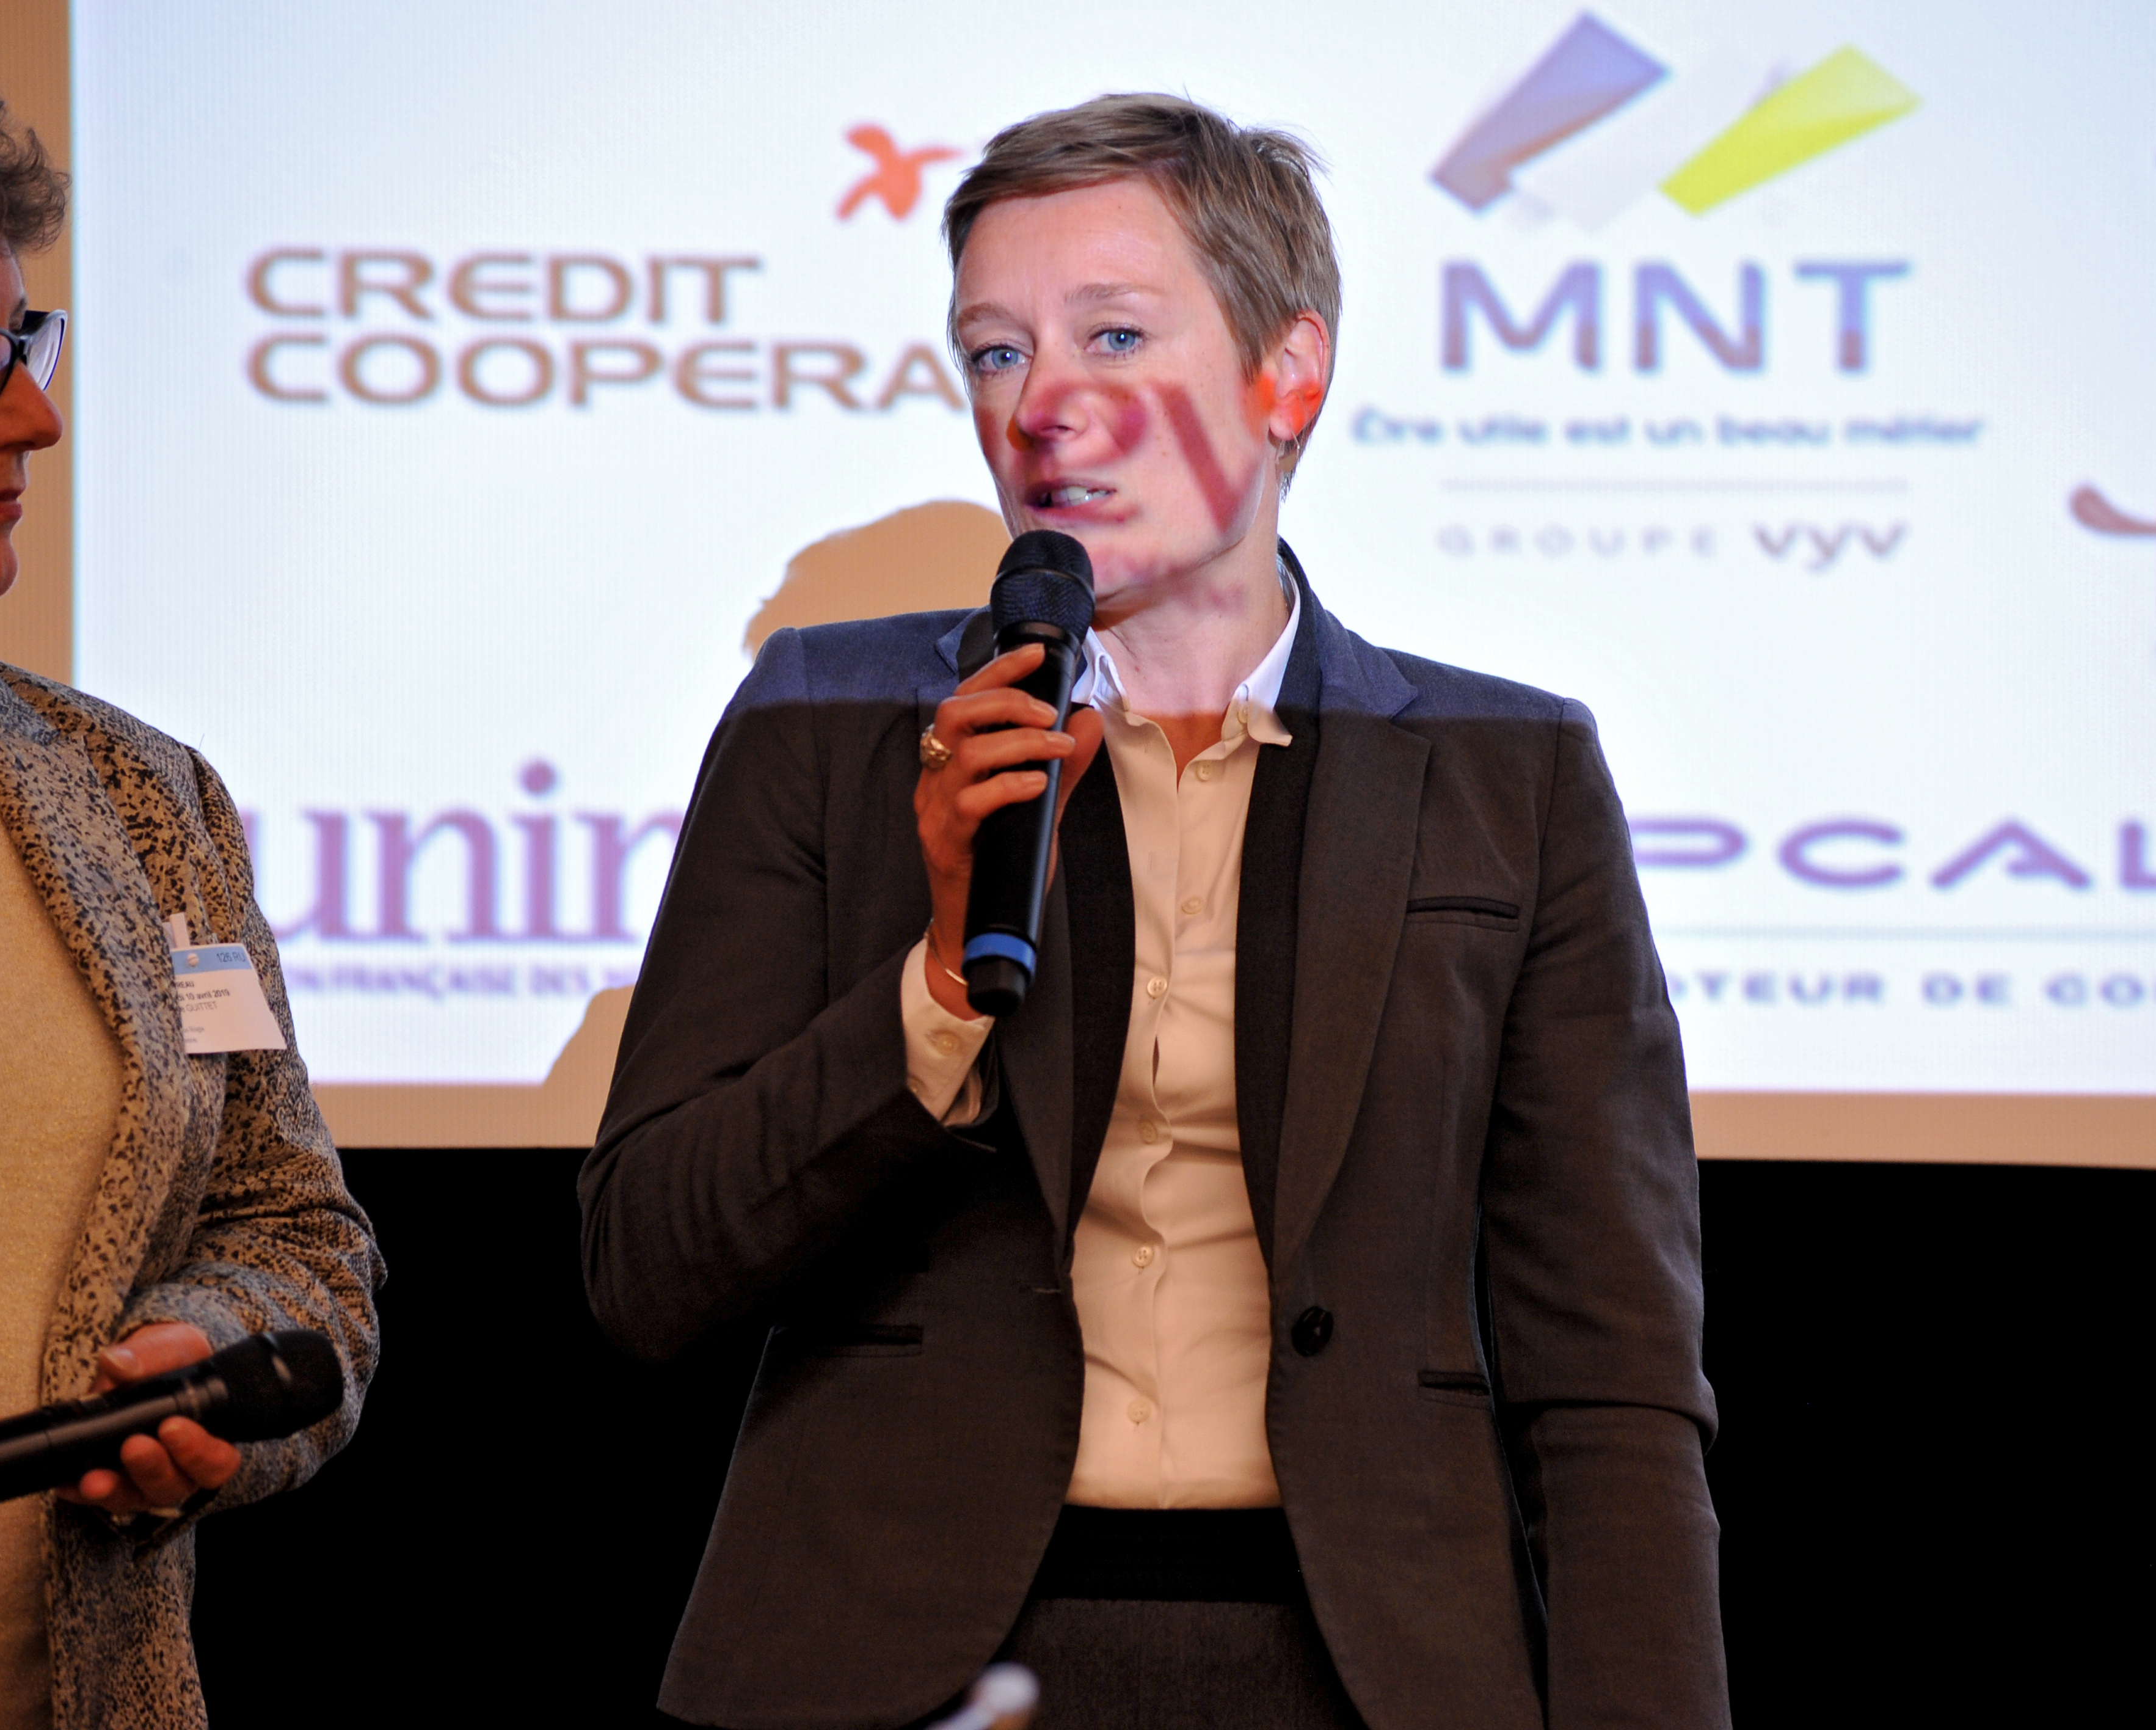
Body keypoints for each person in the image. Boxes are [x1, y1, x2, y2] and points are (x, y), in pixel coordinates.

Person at [583, 95, 1724, 1729]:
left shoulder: (1508, 771)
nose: (1040, 406)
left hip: (1372, 1668)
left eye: (1112, 335)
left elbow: (1610, 1366)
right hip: (887, 1656)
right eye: (994, 352)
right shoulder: (827, 722)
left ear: (1288, 375)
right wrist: (934, 992)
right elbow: (649, 1266)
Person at [0, 45, 380, 1730]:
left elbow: (293, 1237)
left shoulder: (137, 799)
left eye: (22, 341)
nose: (32, 412)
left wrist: (210, 1353)